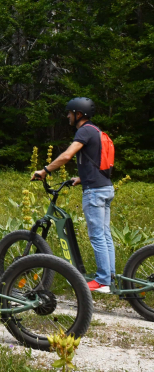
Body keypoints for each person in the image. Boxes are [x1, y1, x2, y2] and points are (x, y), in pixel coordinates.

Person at [32, 97, 114, 293]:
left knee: (97, 236)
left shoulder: (84, 131)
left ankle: (102, 281)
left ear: (78, 114)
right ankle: (109, 276)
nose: (67, 116)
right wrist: (81, 178)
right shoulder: (95, 130)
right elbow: (94, 160)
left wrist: (45, 170)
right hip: (105, 187)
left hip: (95, 191)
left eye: (70, 113)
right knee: (105, 235)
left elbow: (68, 155)